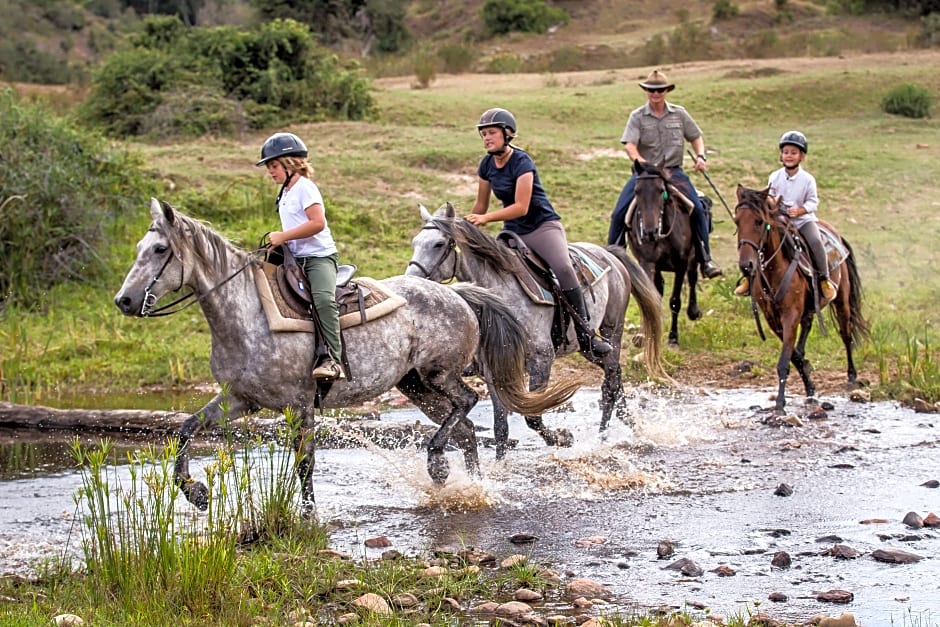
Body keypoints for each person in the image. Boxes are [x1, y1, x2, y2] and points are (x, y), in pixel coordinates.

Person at [467, 107, 612, 356]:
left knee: (563, 268)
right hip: (512, 231)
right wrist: (465, 226)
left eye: (491, 133)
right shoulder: (486, 164)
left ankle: (586, 335)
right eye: (483, 135)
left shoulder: (522, 162)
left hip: (542, 227)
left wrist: (486, 218)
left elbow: (521, 207)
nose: (486, 138)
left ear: (507, 134)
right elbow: (480, 206)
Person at [607, 69, 722, 279]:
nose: (656, 93)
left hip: (673, 171)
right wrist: (640, 162)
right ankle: (612, 257)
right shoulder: (637, 116)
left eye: (660, 90)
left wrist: (700, 157)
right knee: (619, 214)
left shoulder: (679, 114)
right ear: (646, 92)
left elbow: (695, 137)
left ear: (666, 91)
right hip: (646, 174)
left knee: (696, 208)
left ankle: (705, 258)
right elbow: (630, 145)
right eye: (651, 90)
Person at [256, 132, 345, 380]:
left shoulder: (305, 188)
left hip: (318, 258)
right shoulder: (285, 192)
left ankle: (333, 360)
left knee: (323, 300)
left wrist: (283, 236)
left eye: (273, 166)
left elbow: (317, 223)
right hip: (294, 258)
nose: (270, 172)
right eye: (269, 167)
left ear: (290, 163)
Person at [734, 130, 837, 305]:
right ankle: (750, 279)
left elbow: (813, 202)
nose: (789, 156)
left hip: (803, 221)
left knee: (815, 241)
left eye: (793, 153)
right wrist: (772, 203)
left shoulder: (807, 179)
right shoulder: (775, 176)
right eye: (786, 152)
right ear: (781, 155)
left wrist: (801, 210)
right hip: (781, 220)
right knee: (762, 241)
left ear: (802, 156)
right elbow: (771, 196)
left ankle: (824, 279)